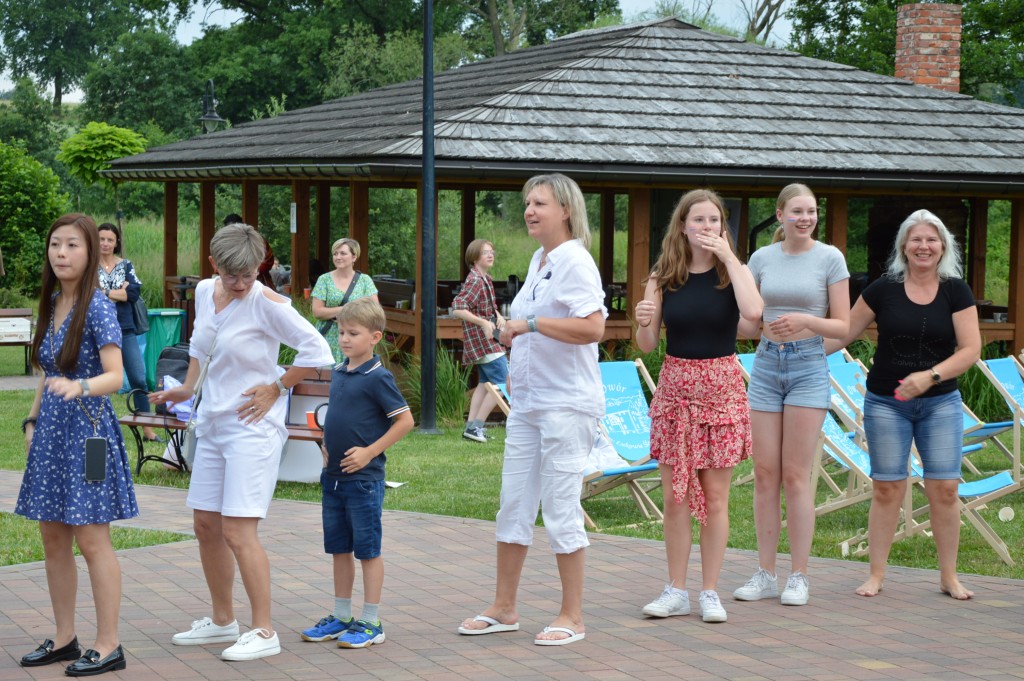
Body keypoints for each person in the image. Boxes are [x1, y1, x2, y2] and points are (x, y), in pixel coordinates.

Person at [150, 222, 333, 661]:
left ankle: (264, 631)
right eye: (231, 275)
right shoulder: (204, 292)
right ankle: (221, 621)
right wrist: (187, 388)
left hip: (253, 427)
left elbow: (318, 352)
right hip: (212, 422)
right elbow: (200, 347)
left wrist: (276, 386)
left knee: (238, 528)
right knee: (206, 525)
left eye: (248, 275)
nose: (238, 284)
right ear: (213, 265)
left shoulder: (267, 302)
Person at [458, 173, 606, 646]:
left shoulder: (575, 261)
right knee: (513, 505)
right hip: (528, 404)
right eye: (526, 202)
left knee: (561, 509)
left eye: (539, 202)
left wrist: (530, 324)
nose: (529, 210)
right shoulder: (541, 260)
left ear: (565, 209)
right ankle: (504, 608)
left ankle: (572, 616)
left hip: (567, 403)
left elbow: (593, 328)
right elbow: (529, 325)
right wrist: (512, 330)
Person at [825, 210, 980, 600]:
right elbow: (843, 333)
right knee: (886, 488)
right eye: (916, 239)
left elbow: (971, 349)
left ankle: (949, 577)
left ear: (942, 246)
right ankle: (876, 575)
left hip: (941, 402)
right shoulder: (882, 288)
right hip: (886, 403)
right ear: (903, 246)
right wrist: (794, 346)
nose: (923, 246)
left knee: (944, 489)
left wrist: (929, 377)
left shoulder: (956, 290)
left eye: (931, 239)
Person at [17, 213, 138, 676]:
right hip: (49, 433)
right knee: (52, 536)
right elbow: (49, 371)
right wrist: (31, 421)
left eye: (72, 245)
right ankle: (65, 638)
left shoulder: (100, 305)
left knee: (92, 538)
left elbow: (116, 376)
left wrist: (80, 387)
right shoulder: (51, 303)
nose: (61, 253)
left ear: (91, 253)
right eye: (55, 245)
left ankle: (109, 644)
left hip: (90, 436)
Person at [634, 189, 763, 623]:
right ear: (683, 227)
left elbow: (754, 313)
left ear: (723, 227)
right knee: (675, 497)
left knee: (716, 497)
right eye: (698, 221)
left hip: (722, 389)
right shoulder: (663, 275)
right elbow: (648, 344)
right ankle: (676, 590)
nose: (706, 228)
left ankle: (709, 591)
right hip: (675, 389)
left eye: (714, 221)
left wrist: (730, 258)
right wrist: (643, 320)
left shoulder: (733, 273)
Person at [735, 183, 850, 607]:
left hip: (807, 367)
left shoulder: (830, 258)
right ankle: (765, 573)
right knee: (765, 474)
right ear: (780, 215)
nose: (806, 218)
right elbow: (749, 324)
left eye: (812, 211)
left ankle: (798, 576)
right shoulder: (761, 259)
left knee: (796, 474)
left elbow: (844, 325)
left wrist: (805, 321)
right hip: (765, 365)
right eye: (797, 211)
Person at [299, 297, 415, 648]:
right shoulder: (339, 371)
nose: (345, 339)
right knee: (339, 548)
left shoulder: (378, 377)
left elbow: (405, 421)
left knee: (367, 549)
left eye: (353, 333)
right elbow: (340, 415)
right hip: (333, 477)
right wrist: (325, 444)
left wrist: (368, 452)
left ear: (375, 337)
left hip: (363, 481)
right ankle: (341, 615)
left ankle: (371, 621)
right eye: (341, 332)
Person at [96, 222, 160, 442]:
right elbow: (90, 292)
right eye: (101, 239)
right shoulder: (87, 266)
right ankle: (96, 428)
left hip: (125, 328)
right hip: (97, 329)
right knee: (97, 380)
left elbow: (132, 294)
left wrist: (105, 291)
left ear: (116, 242)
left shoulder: (126, 265)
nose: (105, 243)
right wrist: (116, 291)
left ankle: (148, 430)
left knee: (138, 378)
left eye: (109, 239)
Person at [452, 239, 507, 443]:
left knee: (485, 383)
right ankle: (477, 428)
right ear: (475, 257)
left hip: (485, 341)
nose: (491, 255)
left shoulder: (485, 278)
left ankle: (471, 429)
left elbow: (485, 305)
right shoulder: (475, 280)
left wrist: (497, 314)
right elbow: (457, 307)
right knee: (502, 384)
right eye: (486, 253)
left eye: (492, 252)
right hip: (484, 341)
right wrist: (483, 322)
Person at [311, 238, 379, 364]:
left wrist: (341, 313)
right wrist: (345, 310)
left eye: (343, 253)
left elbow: (375, 311)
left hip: (356, 339)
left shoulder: (365, 281)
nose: (338, 257)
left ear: (354, 257)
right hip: (328, 337)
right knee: (326, 378)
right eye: (335, 254)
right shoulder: (324, 280)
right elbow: (317, 312)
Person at [224, 213, 274, 288]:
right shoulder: (224, 243)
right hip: (231, 282)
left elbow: (267, 261)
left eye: (233, 228)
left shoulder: (257, 240)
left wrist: (247, 271)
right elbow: (219, 264)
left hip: (258, 281)